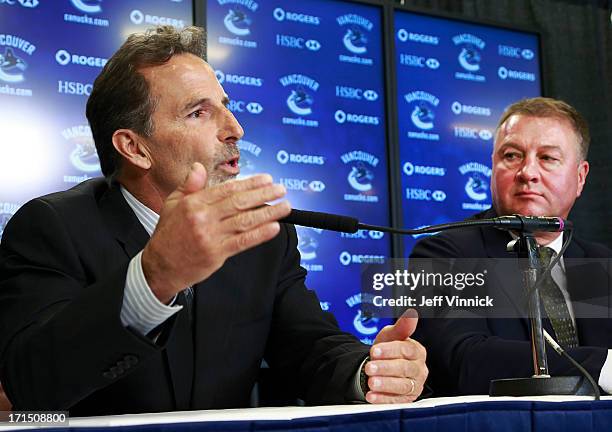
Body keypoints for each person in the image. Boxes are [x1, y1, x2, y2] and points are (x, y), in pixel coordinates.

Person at [0, 26, 427, 415]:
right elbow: (32, 384)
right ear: (134, 147)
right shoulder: (52, 227)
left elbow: (310, 347)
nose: (235, 128)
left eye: (226, 107)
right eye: (198, 113)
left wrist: (371, 372)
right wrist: (153, 278)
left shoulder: (260, 236)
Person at [411, 97, 612, 396]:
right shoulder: (443, 255)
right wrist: (604, 367)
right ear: (493, 166)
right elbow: (463, 359)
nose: (527, 172)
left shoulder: (600, 261)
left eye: (547, 158)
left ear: (580, 177)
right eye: (512, 156)